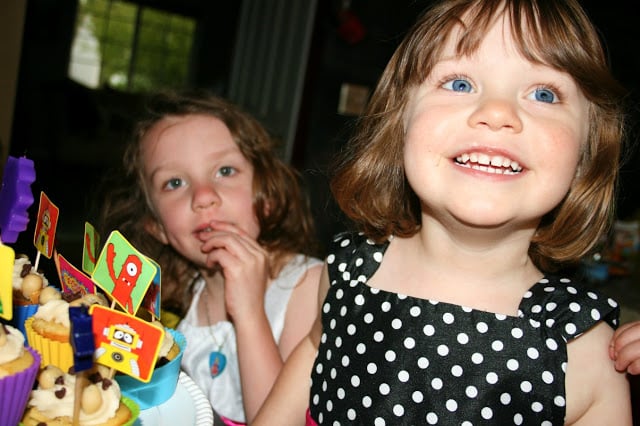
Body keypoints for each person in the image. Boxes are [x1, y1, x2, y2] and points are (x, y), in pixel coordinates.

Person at [253, 0, 635, 424]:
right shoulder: (347, 271)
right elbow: (311, 356)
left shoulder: (584, 347)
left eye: (543, 94)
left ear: (586, 153)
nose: (497, 114)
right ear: (399, 122)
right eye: (459, 83)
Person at [94, 90, 323, 424]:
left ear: (267, 197)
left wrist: (249, 313)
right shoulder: (172, 304)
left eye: (225, 171)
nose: (203, 197)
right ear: (156, 226)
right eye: (174, 182)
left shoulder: (307, 286)